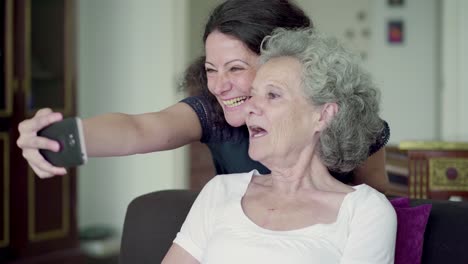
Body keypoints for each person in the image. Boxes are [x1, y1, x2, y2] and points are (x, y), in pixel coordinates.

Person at [16, 0, 389, 191]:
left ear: (283, 62)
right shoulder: (212, 113)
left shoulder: (350, 121)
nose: (219, 85)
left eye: (237, 69)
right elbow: (140, 129)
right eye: (212, 69)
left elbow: (380, 201)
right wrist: (53, 138)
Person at [162, 28, 397, 264]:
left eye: (272, 95)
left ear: (323, 115)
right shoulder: (221, 190)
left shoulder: (365, 211)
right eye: (253, 95)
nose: (250, 107)